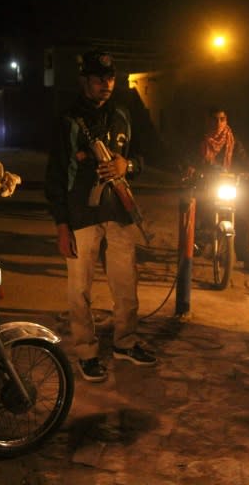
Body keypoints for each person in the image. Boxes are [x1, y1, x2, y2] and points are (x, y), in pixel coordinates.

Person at [45, 49, 157, 383]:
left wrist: (128, 165)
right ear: (85, 81)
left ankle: (125, 342)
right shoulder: (68, 120)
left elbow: (142, 155)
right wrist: (61, 224)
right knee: (80, 290)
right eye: (99, 79)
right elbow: (55, 176)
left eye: (109, 78)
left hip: (119, 212)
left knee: (126, 284)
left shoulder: (123, 112)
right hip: (81, 214)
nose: (106, 84)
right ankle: (86, 351)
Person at [190, 107, 249, 275]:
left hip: (227, 184)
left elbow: (243, 158)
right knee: (199, 211)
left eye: (222, 119)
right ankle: (197, 244)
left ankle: (247, 260)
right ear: (208, 121)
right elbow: (191, 158)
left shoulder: (233, 141)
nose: (218, 123)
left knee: (242, 219)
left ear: (226, 120)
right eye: (214, 119)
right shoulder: (201, 141)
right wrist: (191, 168)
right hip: (206, 185)